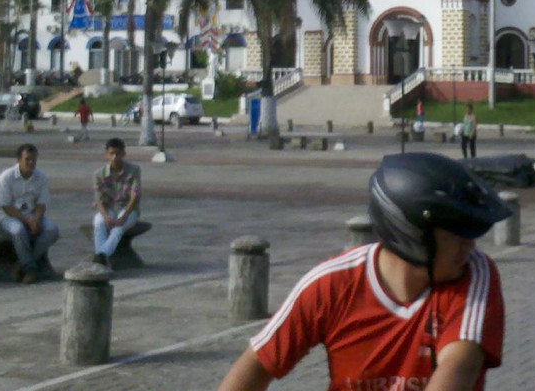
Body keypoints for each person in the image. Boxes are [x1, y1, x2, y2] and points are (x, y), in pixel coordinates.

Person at [215, 151, 510, 391]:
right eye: (457, 234)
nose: (471, 245)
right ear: (414, 234)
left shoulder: (474, 275)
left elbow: (460, 366)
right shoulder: (333, 284)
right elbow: (257, 363)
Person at [0, 143, 61, 283]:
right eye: (27, 159)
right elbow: (5, 206)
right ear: (19, 160)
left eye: (34, 160)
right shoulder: (6, 177)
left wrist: (35, 218)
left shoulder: (40, 177)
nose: (31, 163)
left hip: (32, 214)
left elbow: (42, 203)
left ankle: (21, 264)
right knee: (19, 230)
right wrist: (27, 220)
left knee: (52, 230)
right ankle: (30, 268)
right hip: (9, 217)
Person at [92, 137, 141, 266]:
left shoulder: (134, 170)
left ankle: (101, 255)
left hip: (127, 209)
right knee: (99, 223)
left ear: (123, 153)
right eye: (111, 153)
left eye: (117, 153)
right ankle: (101, 257)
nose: (114, 157)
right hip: (108, 208)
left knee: (118, 227)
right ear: (106, 154)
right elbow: (98, 200)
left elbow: (134, 197)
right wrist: (106, 216)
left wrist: (124, 217)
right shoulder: (99, 174)